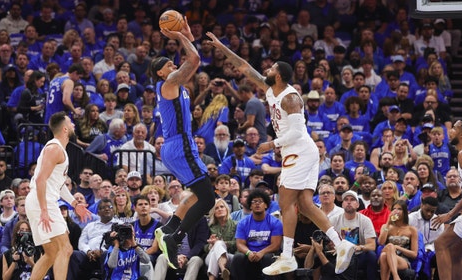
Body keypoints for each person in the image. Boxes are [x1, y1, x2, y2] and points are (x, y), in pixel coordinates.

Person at [207, 31, 354, 276]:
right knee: (305, 205)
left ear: (279, 75)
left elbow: (297, 132)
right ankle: (341, 245)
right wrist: (222, 47)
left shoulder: (291, 98)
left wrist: (271, 144)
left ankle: (287, 257)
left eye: (272, 66)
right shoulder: (270, 89)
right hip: (297, 153)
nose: (268, 67)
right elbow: (245, 67)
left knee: (285, 201)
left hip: (298, 150)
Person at [150, 19, 215, 269]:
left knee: (196, 195)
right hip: (179, 145)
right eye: (167, 64)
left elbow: (191, 58)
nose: (172, 63)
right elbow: (195, 60)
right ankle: (173, 238)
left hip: (177, 146)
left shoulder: (175, 83)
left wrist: (187, 35)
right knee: (208, 200)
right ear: (160, 73)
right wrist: (180, 35)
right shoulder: (168, 84)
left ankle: (170, 227)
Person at [25, 111, 91, 280]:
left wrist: (75, 204)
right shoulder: (54, 148)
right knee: (65, 248)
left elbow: (58, 186)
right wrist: (45, 210)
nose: (74, 125)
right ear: (64, 128)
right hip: (43, 201)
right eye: (71, 123)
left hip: (40, 200)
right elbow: (40, 180)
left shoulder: (58, 149)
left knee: (51, 253)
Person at [433, 119, 462, 280]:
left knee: (441, 243)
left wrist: (450, 214)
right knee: (455, 250)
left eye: (454, 128)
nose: (450, 131)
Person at [378, 200, 419, 280]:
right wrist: (388, 223)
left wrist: (397, 247)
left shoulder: (411, 229)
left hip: (402, 260)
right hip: (386, 255)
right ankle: (396, 276)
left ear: (405, 212)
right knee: (385, 254)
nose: (396, 211)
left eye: (399, 209)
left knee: (385, 253)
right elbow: (381, 242)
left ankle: (395, 276)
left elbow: (414, 254)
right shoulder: (386, 226)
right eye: (394, 209)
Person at [205, 199, 237, 280]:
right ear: (213, 212)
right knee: (215, 249)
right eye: (216, 208)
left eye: (222, 207)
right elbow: (203, 246)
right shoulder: (209, 227)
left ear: (226, 209)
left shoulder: (236, 225)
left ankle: (212, 278)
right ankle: (223, 270)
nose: (220, 209)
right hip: (210, 256)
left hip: (229, 256)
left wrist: (222, 243)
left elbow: (237, 243)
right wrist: (211, 245)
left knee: (218, 244)